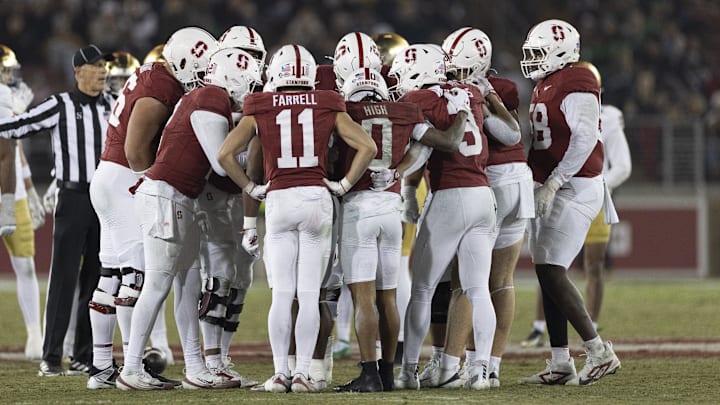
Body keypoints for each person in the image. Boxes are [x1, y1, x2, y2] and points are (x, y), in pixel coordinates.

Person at [217, 44, 377, 393]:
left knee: (282, 295)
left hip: (278, 200)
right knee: (308, 295)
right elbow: (368, 147)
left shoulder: (259, 105)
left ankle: (279, 373)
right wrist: (344, 184)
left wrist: (250, 187)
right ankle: (304, 373)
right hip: (316, 198)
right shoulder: (327, 102)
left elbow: (226, 154)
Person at [117, 46, 265, 391]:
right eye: (249, 83)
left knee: (188, 284)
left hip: (177, 197)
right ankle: (131, 368)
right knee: (158, 283)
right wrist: (254, 176)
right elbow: (220, 164)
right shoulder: (209, 97)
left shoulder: (205, 97)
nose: (251, 90)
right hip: (167, 196)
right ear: (235, 77)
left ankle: (196, 368)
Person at [333, 67, 468, 392]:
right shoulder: (404, 111)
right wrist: (463, 110)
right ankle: (389, 373)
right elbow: (446, 142)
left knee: (364, 298)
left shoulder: (345, 111)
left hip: (359, 207)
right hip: (391, 210)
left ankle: (369, 376)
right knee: (389, 297)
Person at [409, 27, 531, 389]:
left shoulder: (459, 93)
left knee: (462, 282)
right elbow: (513, 133)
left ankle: (449, 363)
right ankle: (487, 368)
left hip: (480, 184)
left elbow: (507, 135)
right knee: (495, 282)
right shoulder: (492, 89)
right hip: (510, 183)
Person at [389, 44, 507, 390]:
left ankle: (408, 371)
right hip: (483, 195)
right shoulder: (470, 91)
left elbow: (422, 149)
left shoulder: (418, 99)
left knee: (423, 289)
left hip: (449, 195)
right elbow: (508, 134)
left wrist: (395, 176)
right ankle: (480, 371)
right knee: (477, 288)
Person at [0, 44, 115, 376]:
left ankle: (84, 354)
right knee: (64, 278)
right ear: (78, 72)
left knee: (99, 277)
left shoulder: (113, 105)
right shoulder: (59, 105)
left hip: (106, 201)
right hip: (74, 198)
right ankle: (51, 356)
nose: (102, 72)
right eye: (95, 67)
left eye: (103, 67)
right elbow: (19, 127)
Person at [519, 19, 621, 386]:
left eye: (538, 52)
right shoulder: (547, 83)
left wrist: (555, 182)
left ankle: (598, 352)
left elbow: (582, 142)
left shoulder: (577, 81)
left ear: (560, 51)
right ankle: (561, 362)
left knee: (550, 269)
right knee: (546, 268)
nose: (531, 60)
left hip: (577, 186)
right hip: (556, 184)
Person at [87, 41, 189, 389]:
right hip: (122, 179)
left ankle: (101, 368)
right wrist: (152, 184)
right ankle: (134, 364)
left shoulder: (149, 75)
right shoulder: (161, 83)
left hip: (106, 176)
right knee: (136, 276)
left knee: (109, 277)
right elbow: (135, 150)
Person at [0, 44, 46, 360]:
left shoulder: (7, 101)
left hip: (13, 193)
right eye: (4, 71)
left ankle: (35, 334)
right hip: (6, 193)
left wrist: (29, 188)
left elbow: (13, 149)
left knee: (26, 266)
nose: (10, 77)